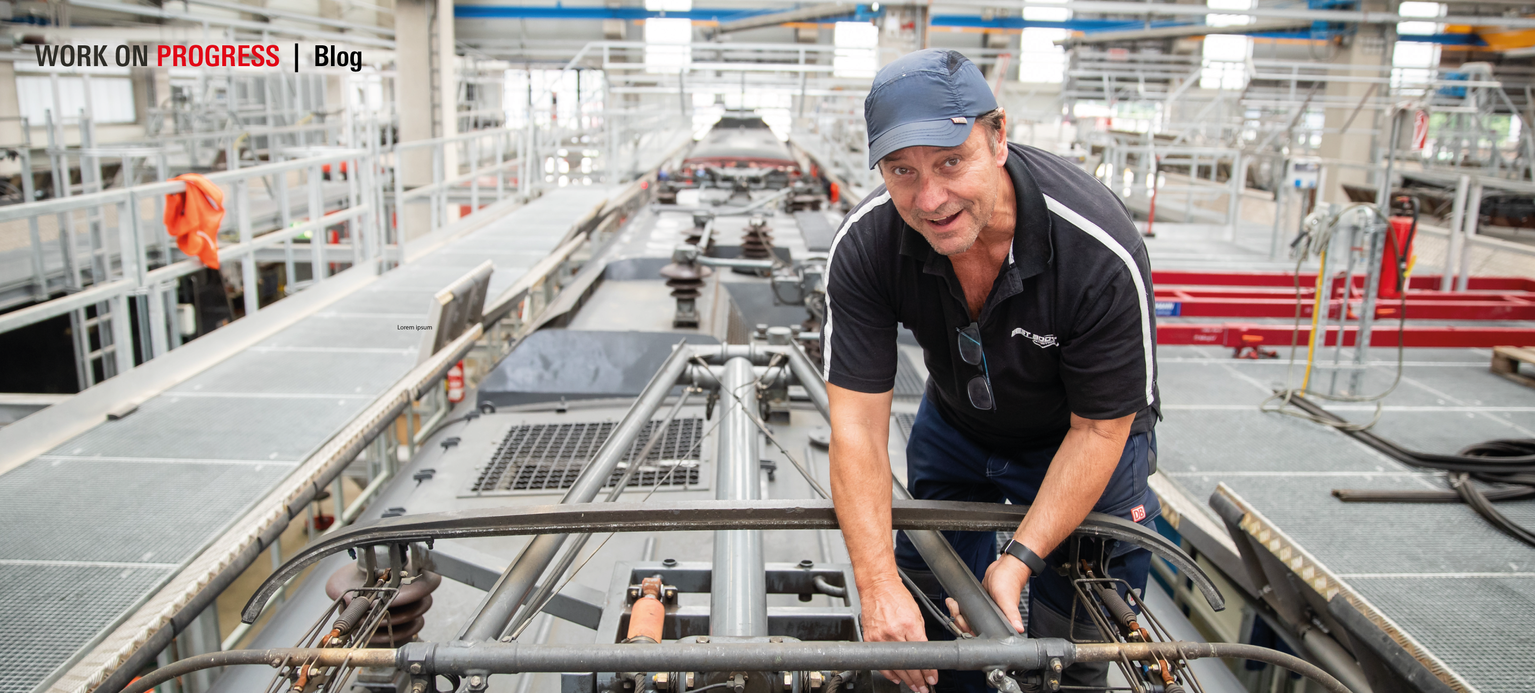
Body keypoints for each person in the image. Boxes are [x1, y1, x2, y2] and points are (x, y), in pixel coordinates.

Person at [822, 49, 1161, 693]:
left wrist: (1017, 563)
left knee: (1077, 647)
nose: (931, 199)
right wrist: (877, 586)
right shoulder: (868, 245)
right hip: (959, 427)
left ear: (998, 136)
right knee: (924, 609)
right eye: (902, 171)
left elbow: (1100, 430)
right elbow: (858, 430)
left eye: (952, 161)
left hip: (1083, 438)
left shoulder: (1097, 251)